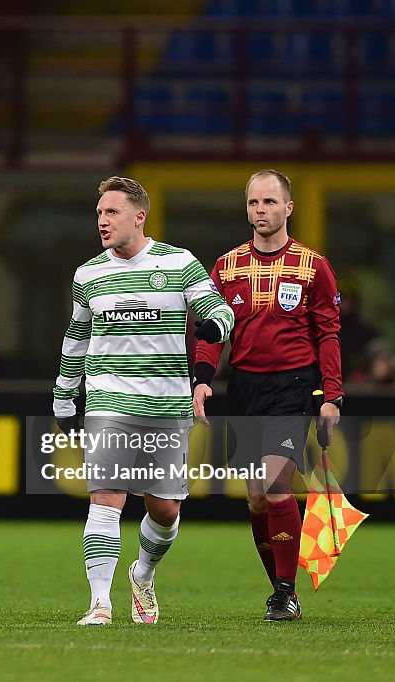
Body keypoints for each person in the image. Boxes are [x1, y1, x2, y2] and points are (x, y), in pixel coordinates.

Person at [53, 176, 233, 626]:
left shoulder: (178, 262)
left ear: (139, 216)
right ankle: (99, 603)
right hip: (108, 401)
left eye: (111, 212)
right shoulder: (88, 274)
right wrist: (63, 395)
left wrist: (214, 325)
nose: (102, 221)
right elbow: (76, 337)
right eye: (99, 213)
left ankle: (143, 573)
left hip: (167, 407)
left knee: (165, 509)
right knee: (105, 497)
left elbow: (220, 307)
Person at [192, 169, 343, 622]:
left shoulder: (314, 266)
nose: (262, 211)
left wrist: (331, 395)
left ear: (289, 208)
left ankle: (285, 591)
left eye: (270, 203)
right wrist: (202, 377)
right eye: (254, 203)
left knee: (277, 486)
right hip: (244, 386)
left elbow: (329, 333)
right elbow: (210, 329)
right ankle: (278, 586)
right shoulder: (226, 266)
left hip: (293, 386)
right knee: (257, 498)